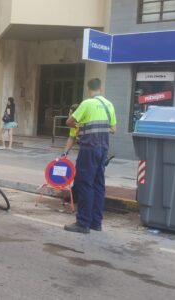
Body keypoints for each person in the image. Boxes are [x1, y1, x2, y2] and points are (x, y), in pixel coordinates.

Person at [63, 78, 117, 234]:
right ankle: (96, 222)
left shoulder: (87, 104)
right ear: (101, 88)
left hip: (88, 149)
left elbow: (69, 122)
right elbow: (114, 129)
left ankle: (83, 223)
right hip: (103, 150)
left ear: (89, 89)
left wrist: (80, 125)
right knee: (99, 185)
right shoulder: (109, 105)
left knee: (85, 184)